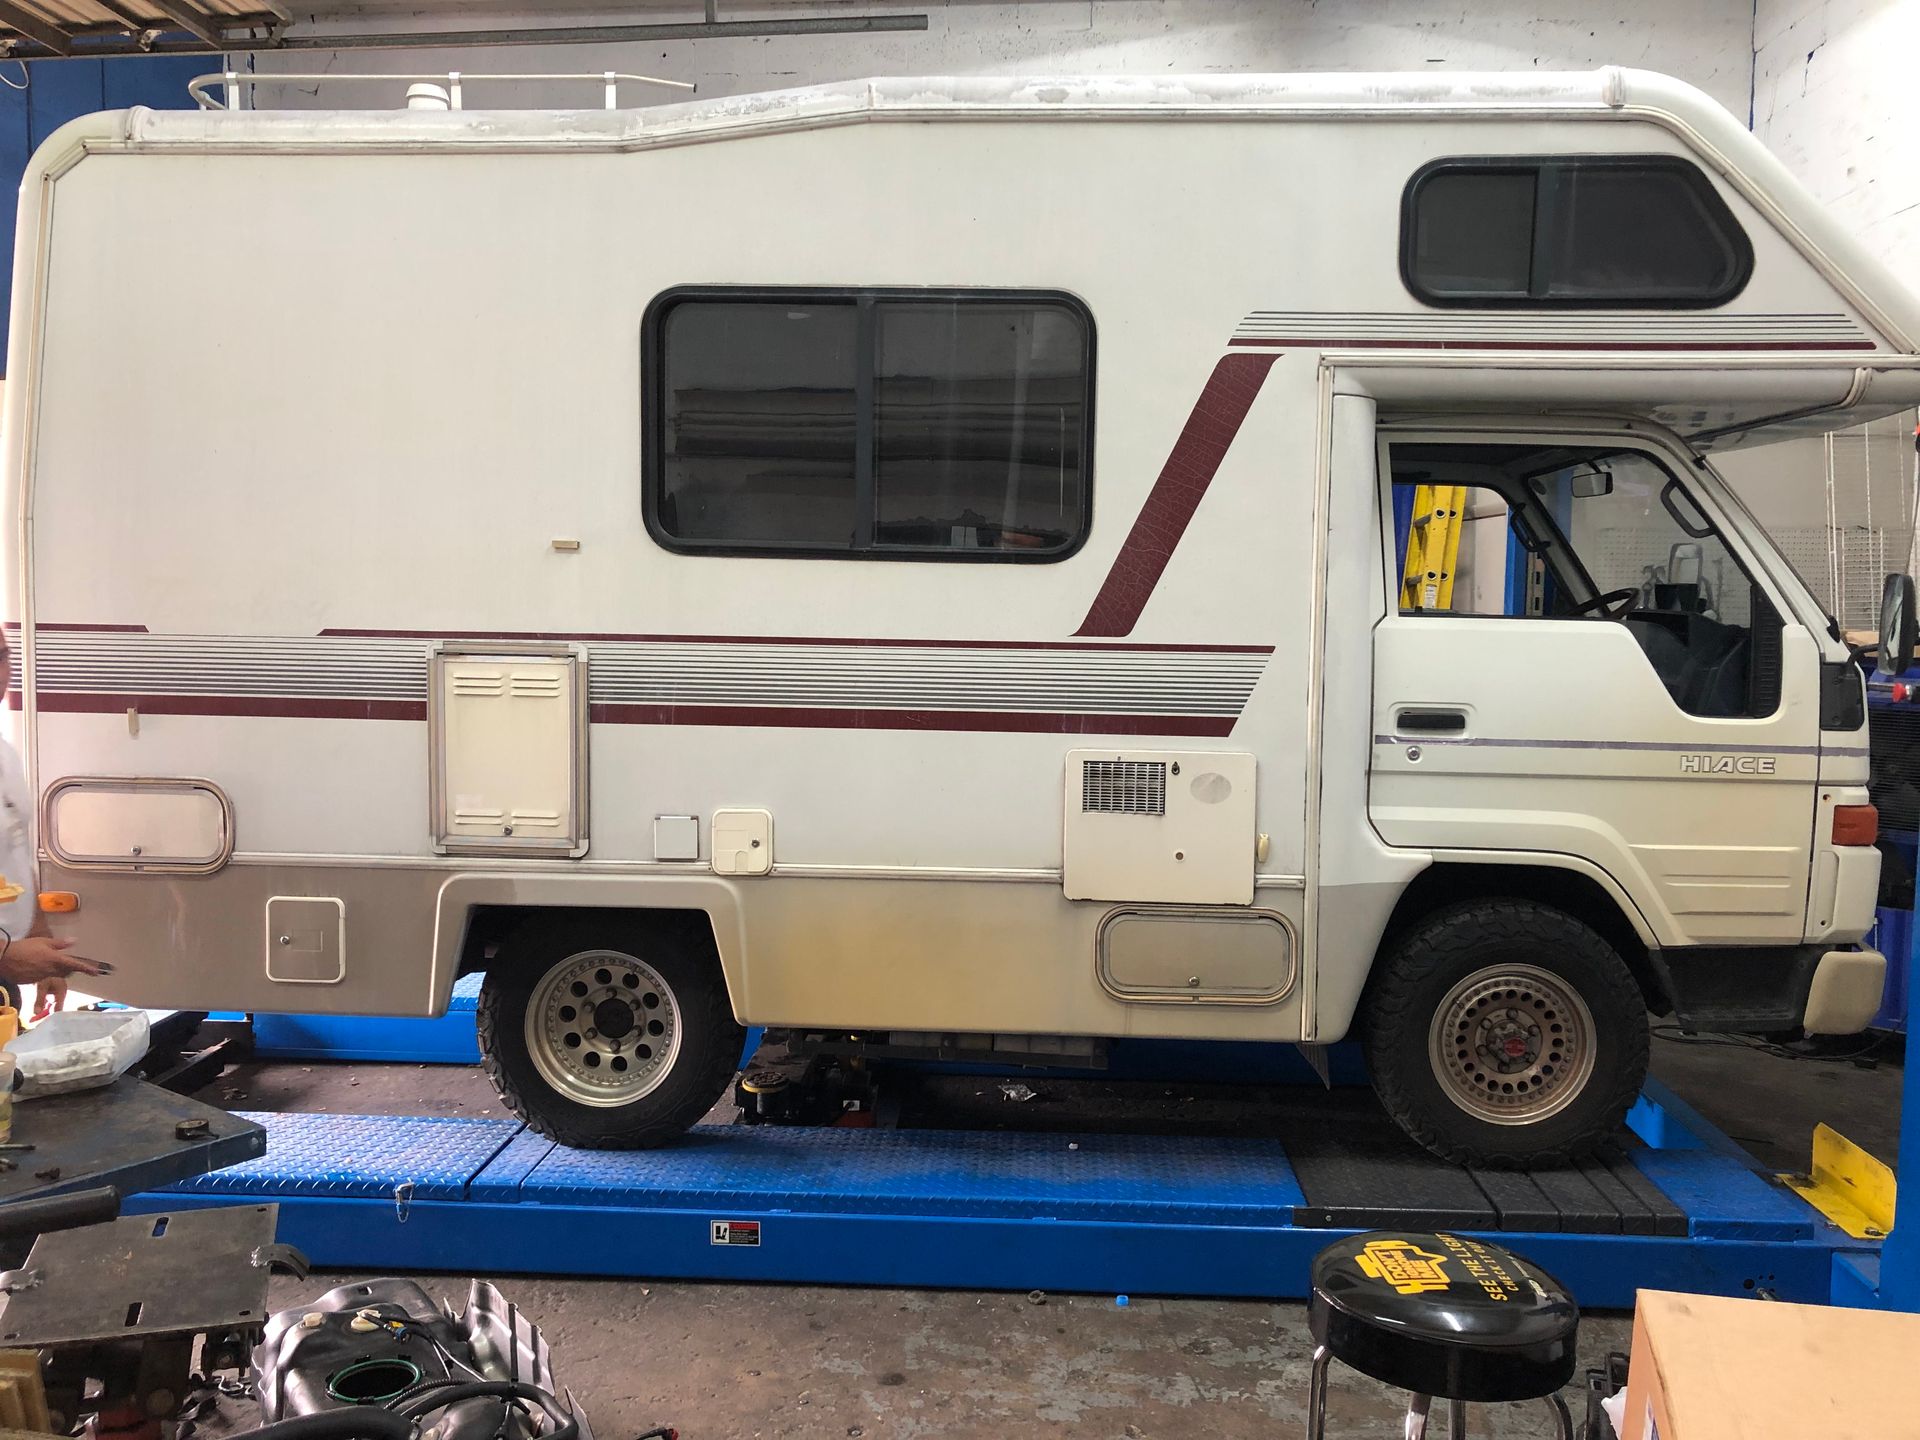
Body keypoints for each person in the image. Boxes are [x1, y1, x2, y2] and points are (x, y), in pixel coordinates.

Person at [0, 630, 101, 1014]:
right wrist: (7, 955)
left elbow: (13, 854)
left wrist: (39, 940)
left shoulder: (4, 754)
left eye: (1, 656)